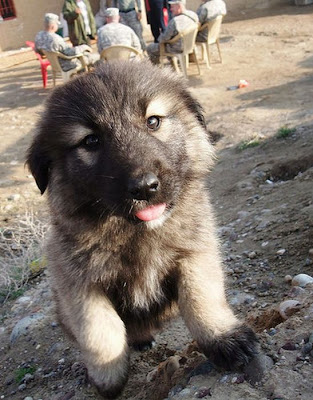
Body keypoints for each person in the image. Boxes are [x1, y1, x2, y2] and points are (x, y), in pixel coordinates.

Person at [35, 13, 99, 72]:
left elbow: (37, 50)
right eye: (57, 24)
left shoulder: (39, 35)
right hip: (66, 64)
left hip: (54, 64)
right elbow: (70, 53)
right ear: (53, 26)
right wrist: (84, 47)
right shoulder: (56, 39)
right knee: (96, 57)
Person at [147, 0, 198, 64]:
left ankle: (157, 69)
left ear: (179, 6)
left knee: (150, 48)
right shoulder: (193, 15)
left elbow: (164, 38)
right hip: (189, 45)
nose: (170, 9)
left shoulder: (175, 21)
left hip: (176, 48)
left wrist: (160, 39)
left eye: (172, 7)